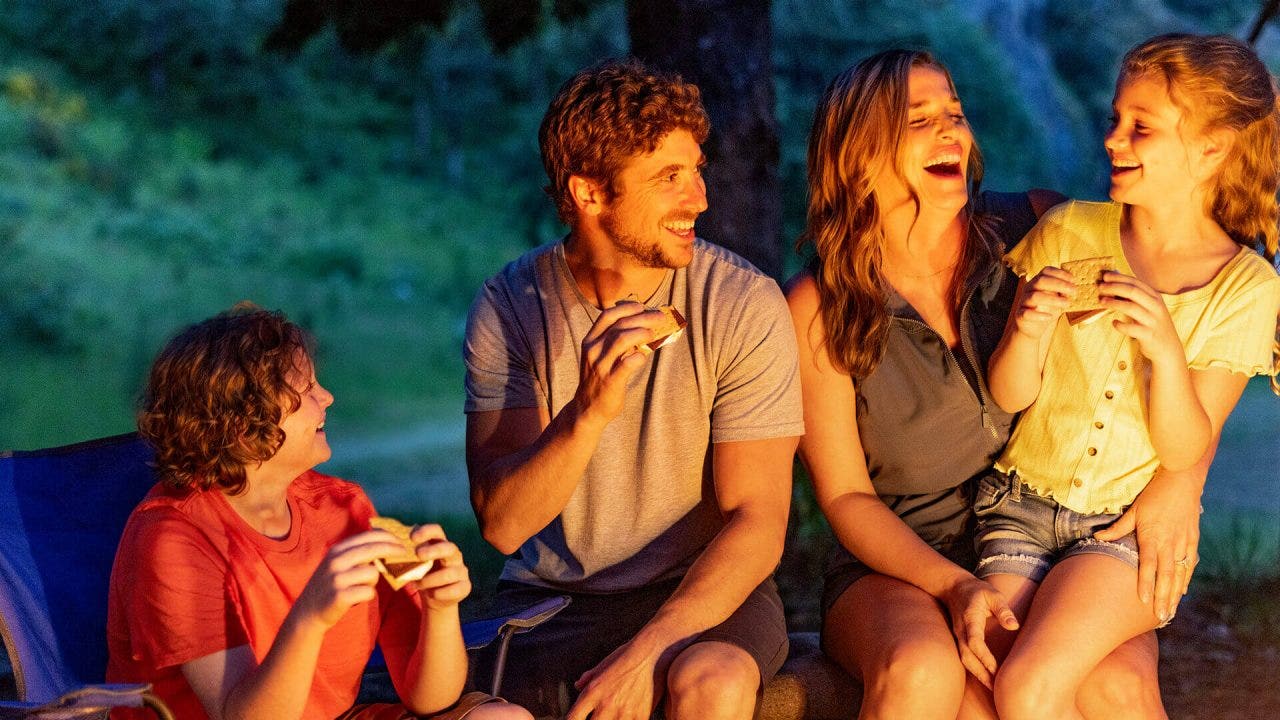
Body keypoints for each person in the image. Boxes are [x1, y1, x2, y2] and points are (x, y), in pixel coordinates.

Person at [786, 48, 1187, 719]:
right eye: (921, 119)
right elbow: (848, 496)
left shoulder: (1040, 226)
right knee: (925, 674)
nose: (953, 131)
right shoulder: (817, 307)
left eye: (956, 113)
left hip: (1067, 543)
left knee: (1114, 689)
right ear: (858, 153)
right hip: (902, 564)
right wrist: (953, 587)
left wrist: (1182, 485)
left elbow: (1173, 344)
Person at [463, 59, 803, 720]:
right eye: (669, 177)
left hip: (703, 587)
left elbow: (759, 521)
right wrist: (587, 413)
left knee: (714, 681)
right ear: (589, 193)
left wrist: (648, 652)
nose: (700, 198)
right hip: (552, 594)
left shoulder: (742, 302)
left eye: (697, 169)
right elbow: (504, 525)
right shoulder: (510, 305)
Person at [979, 33, 1280, 720]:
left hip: (1123, 532)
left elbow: (1184, 450)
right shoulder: (1067, 231)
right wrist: (1027, 326)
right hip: (1015, 510)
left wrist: (1167, 353)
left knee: (1028, 688)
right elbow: (1009, 396)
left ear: (1211, 150)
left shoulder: (1245, 287)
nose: (1113, 140)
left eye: (1141, 128)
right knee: (1027, 681)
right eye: (1116, 119)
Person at [106, 305, 531, 720]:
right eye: (306, 389)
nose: (327, 397)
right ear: (242, 421)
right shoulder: (174, 540)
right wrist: (309, 618)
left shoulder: (341, 507)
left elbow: (430, 699)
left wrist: (440, 607)